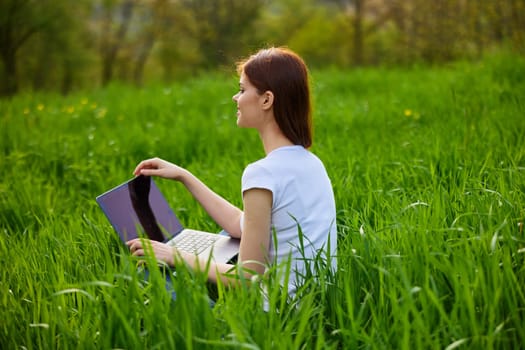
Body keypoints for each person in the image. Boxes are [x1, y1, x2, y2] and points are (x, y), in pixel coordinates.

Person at [127, 47, 337, 302]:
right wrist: (185, 176)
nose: (235, 98)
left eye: (242, 89)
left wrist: (173, 255)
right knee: (230, 238)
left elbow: (249, 277)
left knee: (149, 273)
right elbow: (241, 224)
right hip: (315, 302)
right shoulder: (311, 163)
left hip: (277, 313)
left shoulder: (263, 173)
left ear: (266, 100)